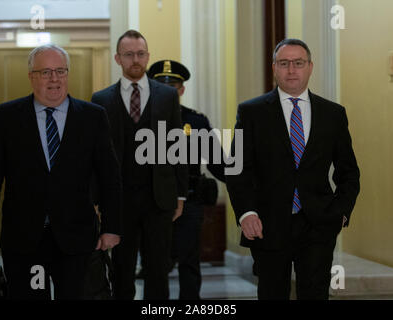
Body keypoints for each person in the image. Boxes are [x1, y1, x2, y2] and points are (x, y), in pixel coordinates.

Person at [0, 44, 122, 300]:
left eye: (60, 71)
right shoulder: (7, 116)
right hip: (24, 239)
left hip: (77, 239)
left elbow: (110, 177)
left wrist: (112, 227)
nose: (55, 79)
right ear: (31, 76)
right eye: (46, 72)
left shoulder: (93, 117)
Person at [226, 39, 360, 300]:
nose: (291, 70)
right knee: (272, 293)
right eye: (284, 63)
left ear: (310, 67)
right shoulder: (251, 112)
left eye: (298, 63)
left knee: (315, 293)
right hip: (268, 223)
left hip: (319, 224)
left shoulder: (333, 114)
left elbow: (348, 171)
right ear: (274, 67)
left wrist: (341, 210)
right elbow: (237, 169)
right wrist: (246, 212)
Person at [91, 31, 189, 300]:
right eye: (129, 54)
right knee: (121, 270)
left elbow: (176, 145)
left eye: (140, 54)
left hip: (159, 198)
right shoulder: (101, 100)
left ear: (147, 56)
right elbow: (95, 157)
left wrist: (181, 193)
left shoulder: (168, 96)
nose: (136, 60)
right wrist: (97, 199)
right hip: (119, 201)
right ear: (117, 58)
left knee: (159, 269)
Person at [146, 60, 226, 299]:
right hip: (152, 202)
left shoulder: (196, 121)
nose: (169, 89)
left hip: (190, 200)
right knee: (154, 263)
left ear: (181, 89)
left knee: (189, 262)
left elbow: (218, 163)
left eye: (174, 85)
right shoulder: (141, 120)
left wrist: (247, 178)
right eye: (162, 84)